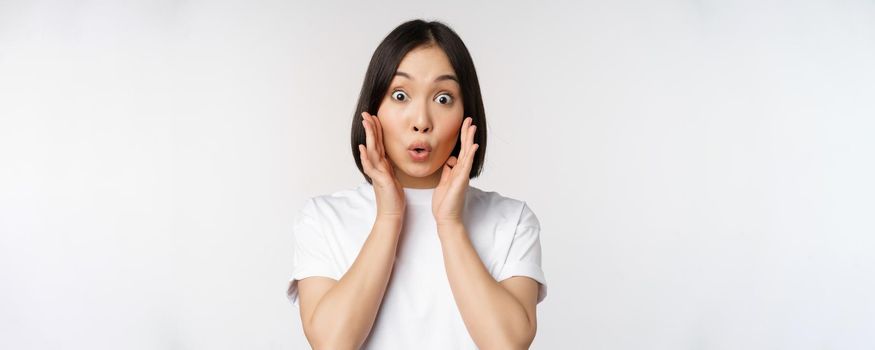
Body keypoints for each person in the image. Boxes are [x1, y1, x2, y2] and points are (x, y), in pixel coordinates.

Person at [286, 19, 547, 349]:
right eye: (399, 95)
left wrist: (450, 224)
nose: (421, 122)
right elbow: (332, 344)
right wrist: (389, 218)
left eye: (443, 99)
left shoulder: (512, 220)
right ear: (372, 110)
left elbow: (508, 345)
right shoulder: (322, 218)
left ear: (469, 115)